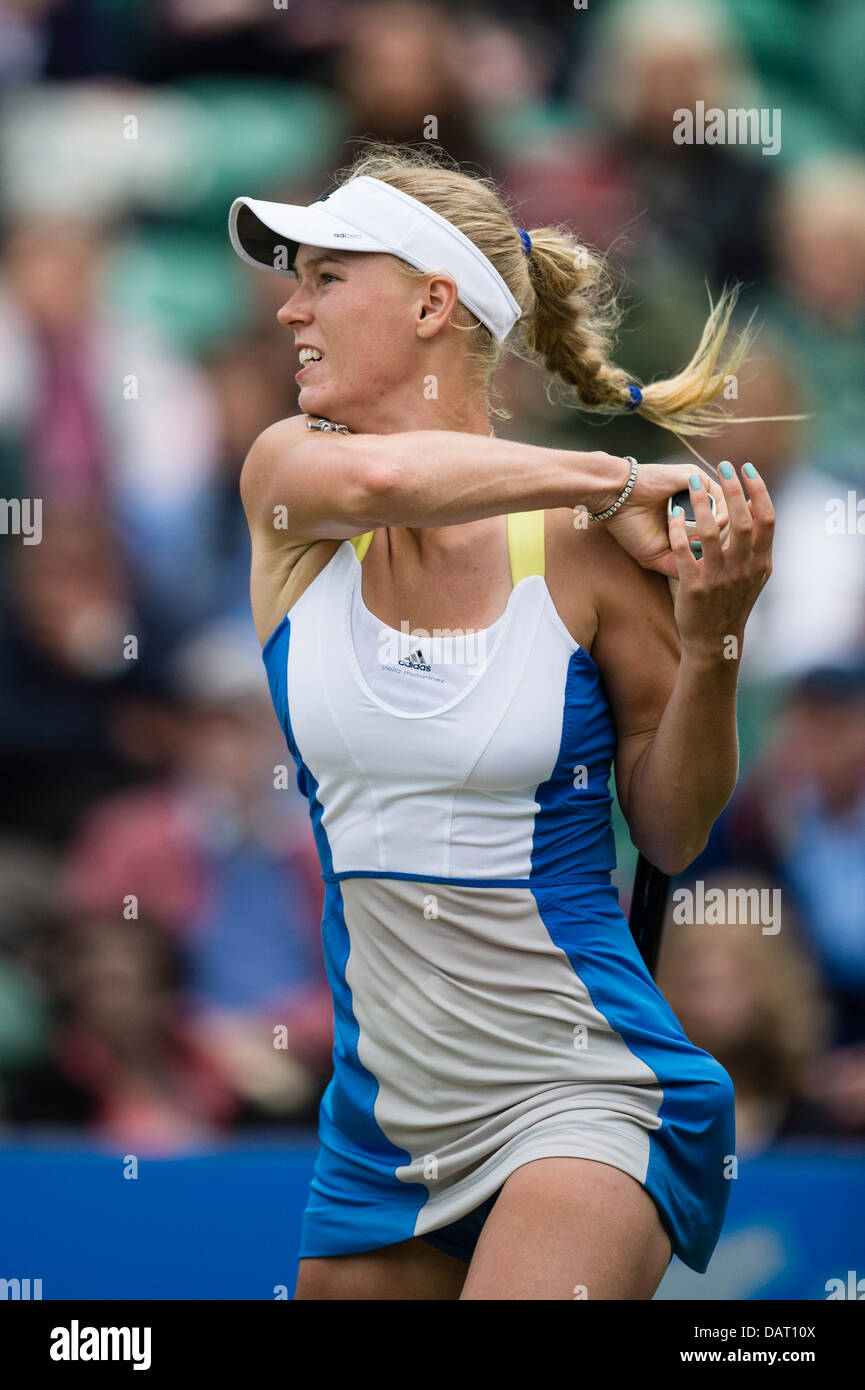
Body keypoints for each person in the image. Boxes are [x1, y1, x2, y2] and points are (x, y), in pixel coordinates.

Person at [228, 142, 775, 1300]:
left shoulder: (583, 555)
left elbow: (670, 836)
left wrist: (716, 639)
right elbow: (383, 484)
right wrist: (615, 479)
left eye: (326, 276)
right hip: (382, 1120)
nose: (289, 308)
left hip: (587, 1090)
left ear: (433, 303)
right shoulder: (289, 480)